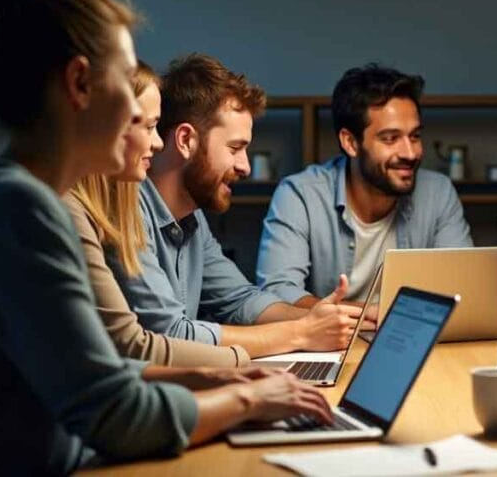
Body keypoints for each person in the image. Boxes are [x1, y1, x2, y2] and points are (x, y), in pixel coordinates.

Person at [0, 0, 329, 474]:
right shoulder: (17, 210)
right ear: (81, 84)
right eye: (126, 85)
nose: (143, 123)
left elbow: (94, 373)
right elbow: (115, 414)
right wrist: (253, 401)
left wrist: (215, 379)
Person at [116, 54, 358, 356]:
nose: (245, 166)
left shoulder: (192, 218)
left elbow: (240, 300)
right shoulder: (127, 209)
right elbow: (170, 334)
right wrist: (301, 334)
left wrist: (325, 318)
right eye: (235, 148)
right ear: (185, 140)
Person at [65, 61, 254, 367]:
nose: (156, 141)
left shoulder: (112, 202)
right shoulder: (71, 211)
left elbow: (124, 361)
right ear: (107, 123)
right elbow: (135, 344)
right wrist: (239, 365)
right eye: (149, 126)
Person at [256, 64, 472, 305]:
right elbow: (277, 292)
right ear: (350, 142)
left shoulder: (438, 193)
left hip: (412, 339)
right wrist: (361, 317)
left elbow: (462, 284)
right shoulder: (300, 195)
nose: (410, 153)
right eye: (390, 139)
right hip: (329, 341)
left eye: (415, 136)